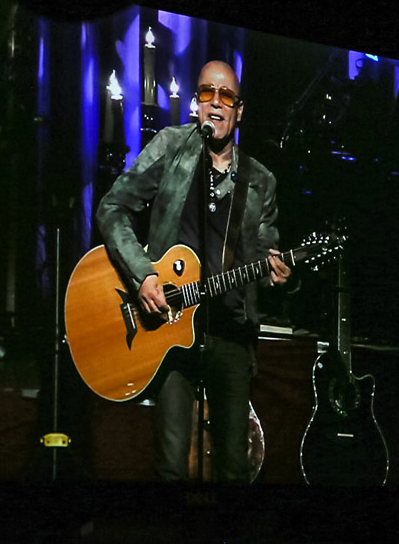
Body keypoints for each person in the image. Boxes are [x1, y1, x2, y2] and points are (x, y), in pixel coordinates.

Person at [96, 60, 291, 483]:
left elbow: (264, 258)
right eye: (207, 93)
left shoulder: (261, 182)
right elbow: (112, 208)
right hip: (168, 331)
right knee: (170, 466)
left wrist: (276, 275)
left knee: (234, 469)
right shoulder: (171, 147)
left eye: (227, 97)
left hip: (231, 334)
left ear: (240, 111)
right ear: (195, 104)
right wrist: (144, 273)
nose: (216, 104)